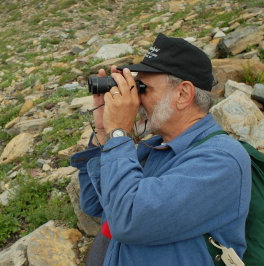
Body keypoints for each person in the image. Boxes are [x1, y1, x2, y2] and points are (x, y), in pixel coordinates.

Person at [70, 33, 252, 265]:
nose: (136, 99)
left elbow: (128, 220)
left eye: (143, 88)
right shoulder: (154, 148)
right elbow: (93, 204)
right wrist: (104, 134)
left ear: (183, 94)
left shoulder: (221, 160)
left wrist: (119, 132)